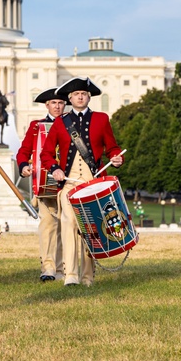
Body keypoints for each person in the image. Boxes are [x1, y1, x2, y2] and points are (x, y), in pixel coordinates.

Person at [41, 77, 124, 287]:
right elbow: (46, 154)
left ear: (89, 97)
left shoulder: (102, 119)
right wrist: (55, 168)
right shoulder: (61, 122)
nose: (80, 96)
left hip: (92, 183)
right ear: (70, 98)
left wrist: (116, 158)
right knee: (68, 225)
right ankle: (71, 274)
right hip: (69, 184)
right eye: (76, 94)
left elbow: (112, 147)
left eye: (84, 94)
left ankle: (88, 277)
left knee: (90, 229)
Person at [15, 88, 66, 282]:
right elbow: (24, 152)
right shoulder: (37, 126)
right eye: (54, 103)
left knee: (67, 227)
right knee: (48, 226)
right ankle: (49, 267)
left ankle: (65, 267)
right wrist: (23, 167)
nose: (57, 107)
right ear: (47, 105)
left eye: (61, 103)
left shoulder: (72, 124)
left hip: (68, 184)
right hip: (45, 185)